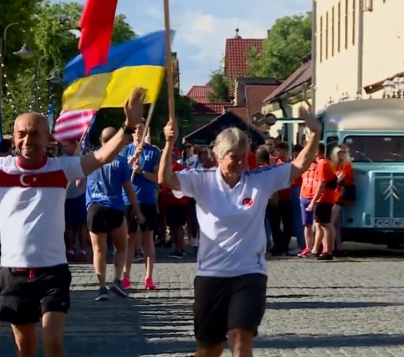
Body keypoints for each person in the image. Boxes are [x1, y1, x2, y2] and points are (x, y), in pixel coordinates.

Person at [0, 88, 146, 357]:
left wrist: (128, 126)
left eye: (34, 134)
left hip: (52, 271)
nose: (27, 140)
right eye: (21, 134)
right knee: (26, 347)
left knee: (53, 342)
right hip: (15, 272)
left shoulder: (61, 168)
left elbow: (102, 157)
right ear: (14, 137)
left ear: (47, 138)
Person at [157, 107, 321, 357]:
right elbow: (166, 179)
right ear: (218, 156)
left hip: (249, 273)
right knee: (208, 350)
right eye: (234, 156)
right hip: (211, 274)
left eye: (244, 156)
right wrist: (169, 143)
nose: (240, 162)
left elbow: (299, 165)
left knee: (240, 339)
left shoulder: (259, 180)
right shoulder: (201, 180)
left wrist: (315, 134)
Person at [86, 127, 144, 301]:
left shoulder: (89, 159)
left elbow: (78, 180)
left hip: (95, 208)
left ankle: (101, 287)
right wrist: (137, 210)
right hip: (115, 208)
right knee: (122, 246)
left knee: (98, 251)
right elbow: (129, 189)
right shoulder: (119, 162)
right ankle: (117, 279)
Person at [120, 118, 161, 291]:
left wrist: (142, 172)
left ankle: (149, 277)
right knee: (128, 239)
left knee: (147, 239)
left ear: (145, 131)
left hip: (147, 200)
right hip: (128, 200)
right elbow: (118, 174)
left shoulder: (153, 152)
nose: (137, 132)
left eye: (141, 129)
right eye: (135, 129)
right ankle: (126, 276)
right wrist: (129, 163)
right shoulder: (124, 151)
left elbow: (158, 178)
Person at [306, 143, 337, 260]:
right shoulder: (324, 163)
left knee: (326, 224)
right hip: (324, 197)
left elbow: (321, 184)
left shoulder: (323, 164)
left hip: (324, 198)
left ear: (317, 152)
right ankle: (315, 250)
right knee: (319, 224)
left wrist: (313, 201)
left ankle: (328, 251)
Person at [62, 139, 90, 262]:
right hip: (66, 196)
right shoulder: (61, 159)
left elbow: (84, 177)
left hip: (80, 195)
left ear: (74, 145)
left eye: (66, 145)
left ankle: (83, 250)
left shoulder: (82, 159)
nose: (64, 147)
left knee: (81, 224)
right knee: (68, 224)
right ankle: (70, 249)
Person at [331, 144, 355, 256]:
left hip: (340, 195)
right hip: (335, 194)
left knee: (330, 221)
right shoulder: (335, 166)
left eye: (344, 152)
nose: (342, 154)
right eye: (339, 152)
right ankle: (338, 247)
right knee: (336, 223)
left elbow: (339, 179)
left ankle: (329, 247)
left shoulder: (346, 165)